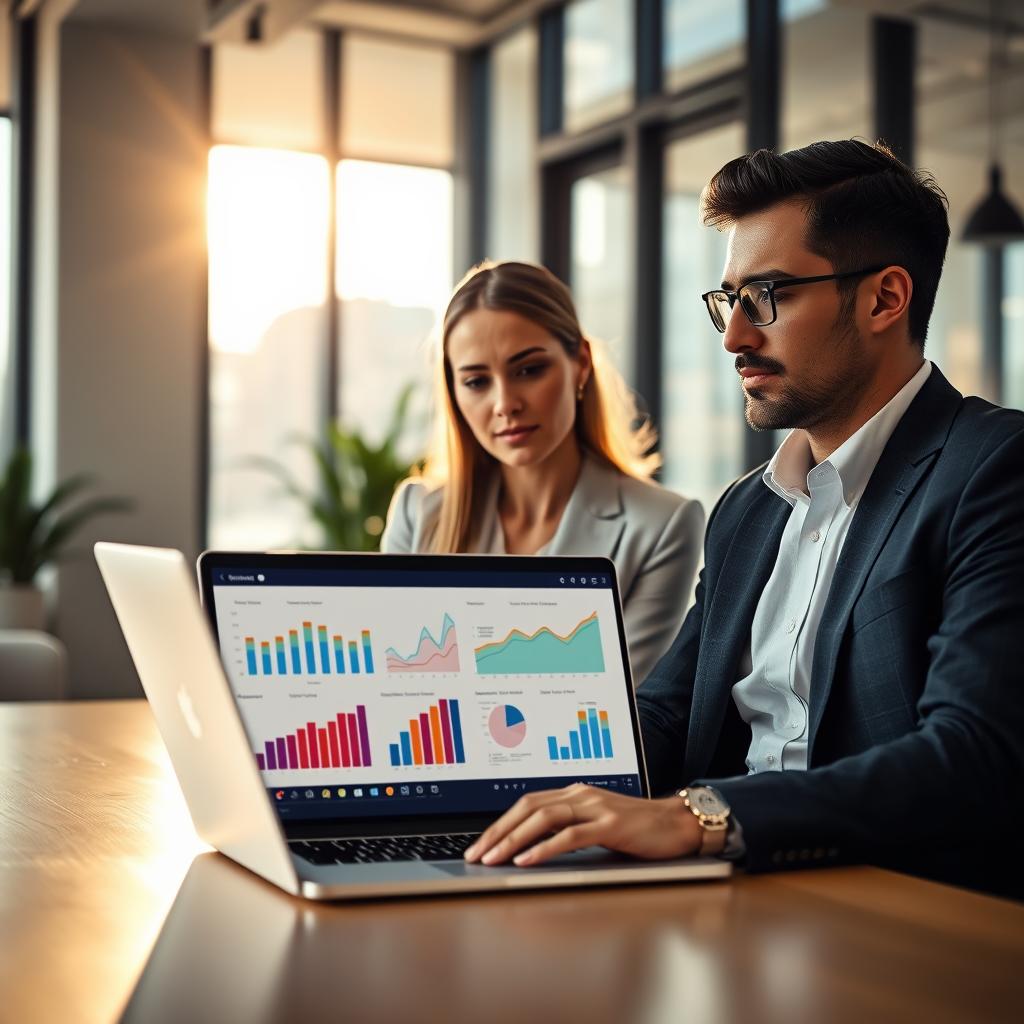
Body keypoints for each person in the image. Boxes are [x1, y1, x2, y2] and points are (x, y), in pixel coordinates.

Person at [463, 140, 1024, 900]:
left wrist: (705, 817)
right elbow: (667, 714)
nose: (734, 336)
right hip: (730, 893)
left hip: (892, 899)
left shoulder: (992, 468)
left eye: (768, 295)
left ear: (885, 300)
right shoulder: (748, 508)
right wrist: (485, 794)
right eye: (730, 299)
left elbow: (971, 753)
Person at [381, 260, 704, 686]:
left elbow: (621, 713)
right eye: (477, 381)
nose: (505, 403)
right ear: (454, 392)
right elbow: (392, 690)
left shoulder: (662, 525)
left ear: (581, 365)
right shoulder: (417, 515)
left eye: (529, 370)